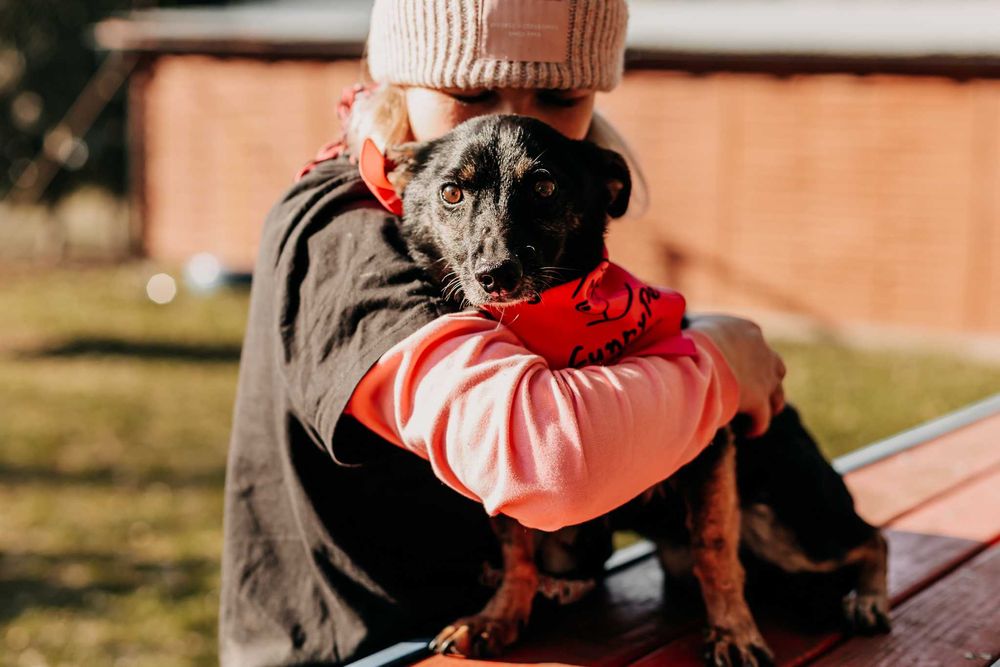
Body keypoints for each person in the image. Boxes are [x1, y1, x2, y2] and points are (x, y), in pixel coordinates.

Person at [219, 1, 786, 664]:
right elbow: (549, 462)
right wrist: (714, 368)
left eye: (559, 92)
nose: (511, 121)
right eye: (469, 90)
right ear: (399, 78)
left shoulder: (552, 217)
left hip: (555, 633)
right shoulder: (344, 238)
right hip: (379, 649)